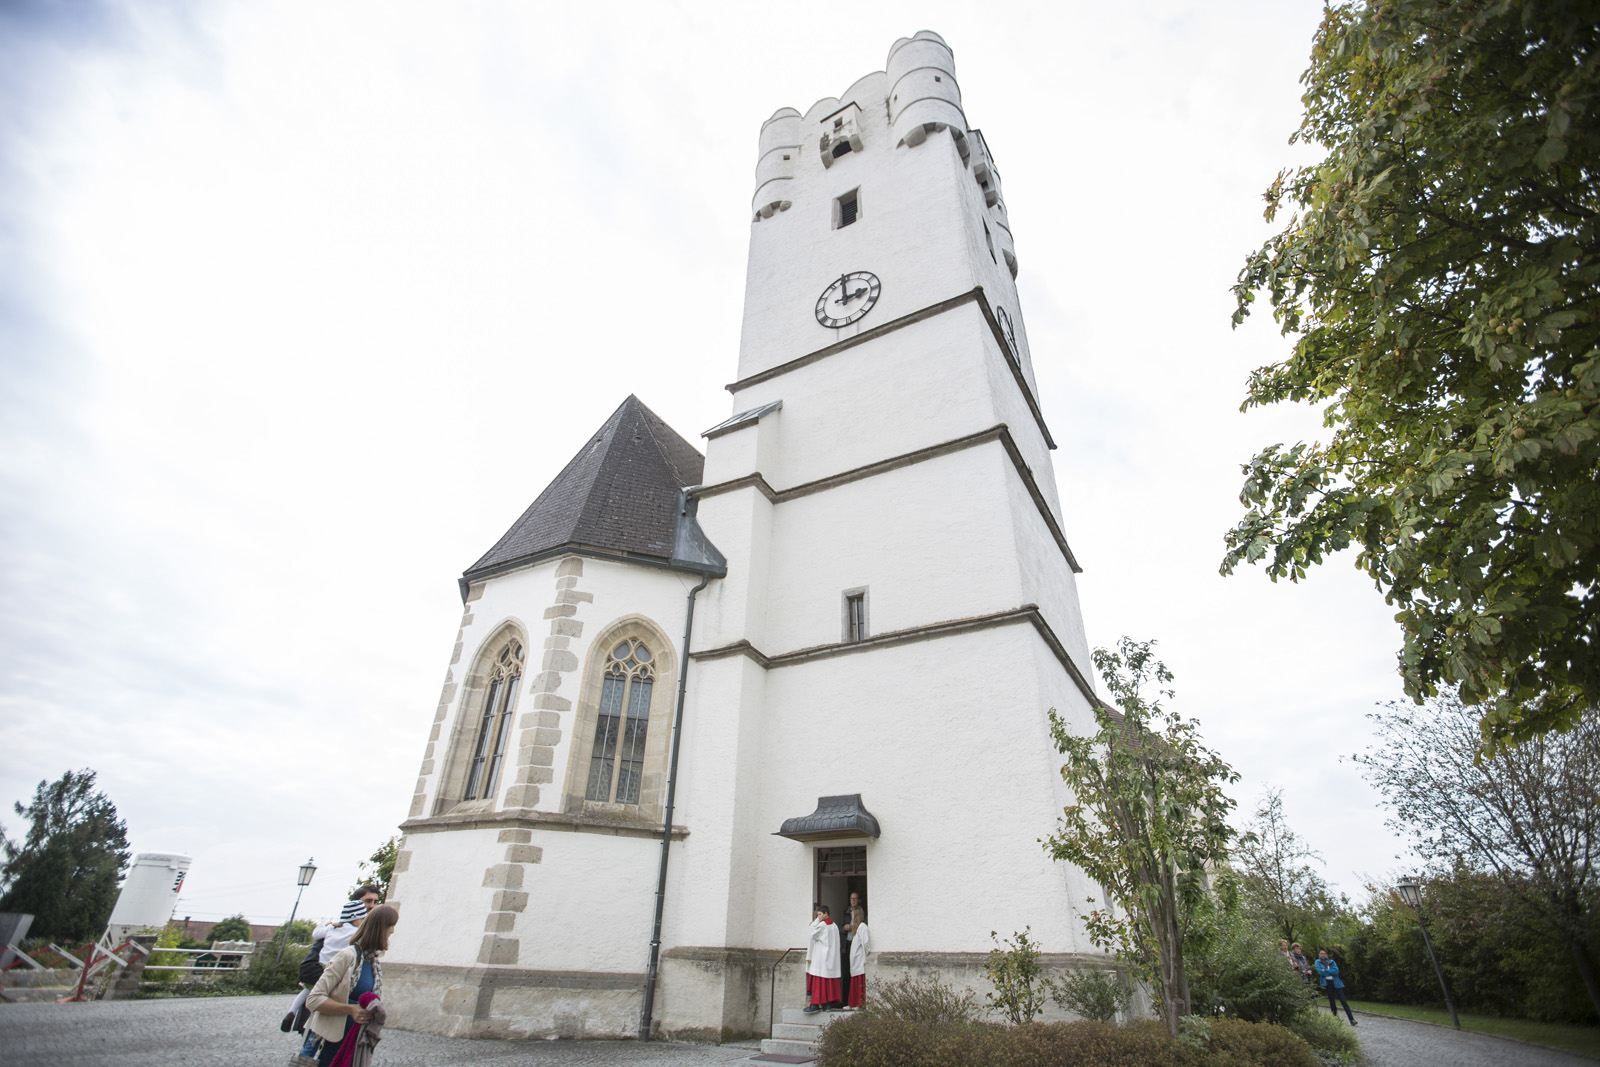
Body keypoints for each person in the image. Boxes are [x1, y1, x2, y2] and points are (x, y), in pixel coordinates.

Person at [303, 904, 400, 1066]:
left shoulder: (373, 963)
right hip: (329, 1045)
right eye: (391, 926)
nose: (393, 931)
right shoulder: (347, 956)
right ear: (380, 929)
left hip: (353, 1045)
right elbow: (314, 999)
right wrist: (351, 1009)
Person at [283, 886, 381, 1033]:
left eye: (375, 902)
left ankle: (291, 1011)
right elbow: (308, 968)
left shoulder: (335, 929)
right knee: (314, 1030)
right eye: (368, 901)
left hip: (341, 1006)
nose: (372, 906)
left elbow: (317, 932)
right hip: (326, 992)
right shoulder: (352, 932)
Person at [802, 904, 840, 1014]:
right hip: (830, 958)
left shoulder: (823, 925)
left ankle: (814, 1004)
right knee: (827, 982)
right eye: (817, 915)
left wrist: (816, 921)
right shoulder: (834, 925)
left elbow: (812, 933)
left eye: (819, 914)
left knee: (819, 982)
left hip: (821, 957)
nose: (818, 917)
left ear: (826, 914)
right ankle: (827, 1005)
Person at [1313, 948, 1357, 1025]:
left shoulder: (1331, 962)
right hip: (1328, 983)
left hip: (1336, 983)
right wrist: (1329, 972)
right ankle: (1335, 1019)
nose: (1323, 955)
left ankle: (1351, 1019)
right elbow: (1321, 972)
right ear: (1319, 954)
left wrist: (1325, 970)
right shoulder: (1318, 962)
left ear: (1326, 954)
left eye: (1324, 953)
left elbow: (1336, 971)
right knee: (1332, 1002)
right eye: (1321, 953)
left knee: (1343, 1001)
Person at [839, 892, 863, 1001]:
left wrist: (855, 927)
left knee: (856, 974)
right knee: (846, 973)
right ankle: (845, 1000)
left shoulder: (861, 912)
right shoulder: (845, 912)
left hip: (856, 944)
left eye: (855, 899)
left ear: (859, 900)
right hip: (847, 944)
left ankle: (856, 1000)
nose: (853, 901)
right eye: (851, 898)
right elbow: (839, 928)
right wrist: (844, 928)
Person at [844, 906, 869, 1010]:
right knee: (854, 982)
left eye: (853, 915)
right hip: (854, 962)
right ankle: (852, 1003)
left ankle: (859, 1004)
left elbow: (865, 943)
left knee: (859, 983)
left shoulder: (862, 927)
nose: (852, 917)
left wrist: (865, 957)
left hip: (859, 960)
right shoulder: (856, 928)